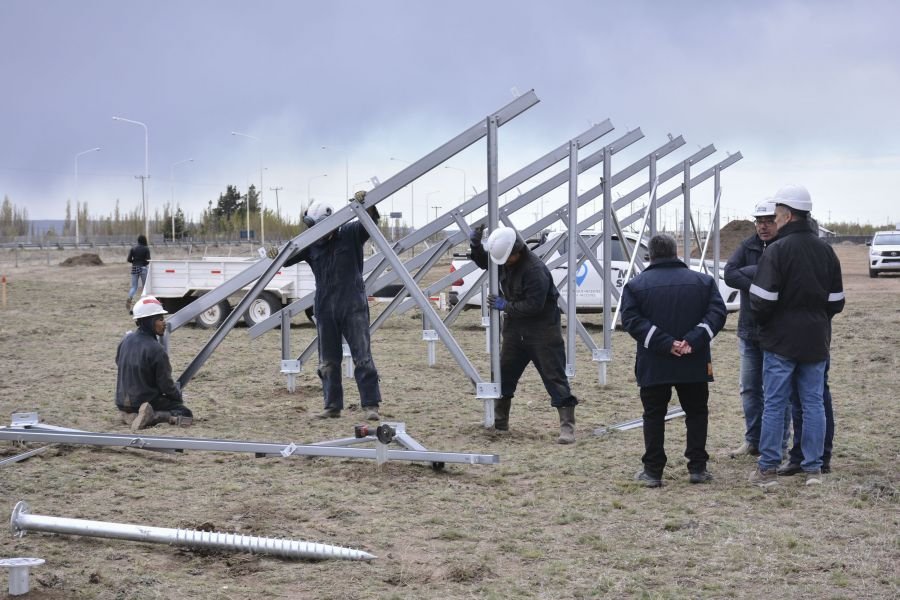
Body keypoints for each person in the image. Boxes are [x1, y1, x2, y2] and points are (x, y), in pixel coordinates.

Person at [749, 185, 844, 487]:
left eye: (775, 216)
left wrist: (768, 325)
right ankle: (813, 468)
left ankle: (767, 469)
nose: (772, 222)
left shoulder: (776, 251)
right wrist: (816, 319)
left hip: (780, 341)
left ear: (788, 216)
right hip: (816, 339)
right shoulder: (826, 251)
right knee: (813, 402)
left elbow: (761, 301)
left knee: (775, 403)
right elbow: (836, 301)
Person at [620, 234, 727, 487]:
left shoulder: (635, 286)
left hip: (654, 361)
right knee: (697, 412)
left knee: (654, 415)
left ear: (651, 255)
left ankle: (653, 471)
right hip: (694, 359)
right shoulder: (703, 282)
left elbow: (631, 321)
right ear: (676, 252)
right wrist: (694, 339)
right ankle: (698, 468)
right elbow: (717, 313)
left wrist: (666, 343)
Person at [469, 225, 578, 444]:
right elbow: (486, 263)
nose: (504, 263)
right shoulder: (506, 260)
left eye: (507, 259)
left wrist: (505, 305)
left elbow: (534, 306)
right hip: (514, 330)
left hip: (542, 331)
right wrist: (475, 245)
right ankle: (500, 424)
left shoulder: (535, 270)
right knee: (504, 374)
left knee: (554, 376)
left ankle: (567, 427)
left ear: (517, 251)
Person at [284, 191, 382, 421]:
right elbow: (286, 258)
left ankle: (370, 405)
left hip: (353, 305)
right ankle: (332, 406)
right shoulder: (311, 245)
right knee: (328, 360)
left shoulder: (350, 234)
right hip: (325, 307)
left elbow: (371, 222)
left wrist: (366, 203)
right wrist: (275, 253)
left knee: (363, 357)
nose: (314, 233)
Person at [723, 200, 790, 458]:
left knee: (777, 391)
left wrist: (750, 274)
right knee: (749, 389)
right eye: (759, 221)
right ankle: (753, 440)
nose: (763, 226)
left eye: (768, 221)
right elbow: (729, 273)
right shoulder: (747, 245)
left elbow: (784, 278)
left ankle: (780, 445)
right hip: (748, 331)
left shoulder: (785, 247)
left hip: (777, 332)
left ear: (780, 221)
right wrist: (758, 284)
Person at [115, 295, 193, 432]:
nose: (164, 323)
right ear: (149, 322)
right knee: (185, 413)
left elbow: (118, 362)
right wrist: (177, 397)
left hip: (121, 401)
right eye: (160, 319)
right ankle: (151, 416)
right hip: (142, 401)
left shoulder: (125, 340)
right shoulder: (156, 349)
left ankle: (128, 415)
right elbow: (166, 386)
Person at [126, 234, 151, 313]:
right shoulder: (146, 249)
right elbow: (148, 260)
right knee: (144, 287)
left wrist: (135, 262)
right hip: (143, 268)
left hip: (134, 268)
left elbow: (129, 259)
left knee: (134, 287)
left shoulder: (133, 248)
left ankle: (130, 297)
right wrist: (143, 263)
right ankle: (142, 304)